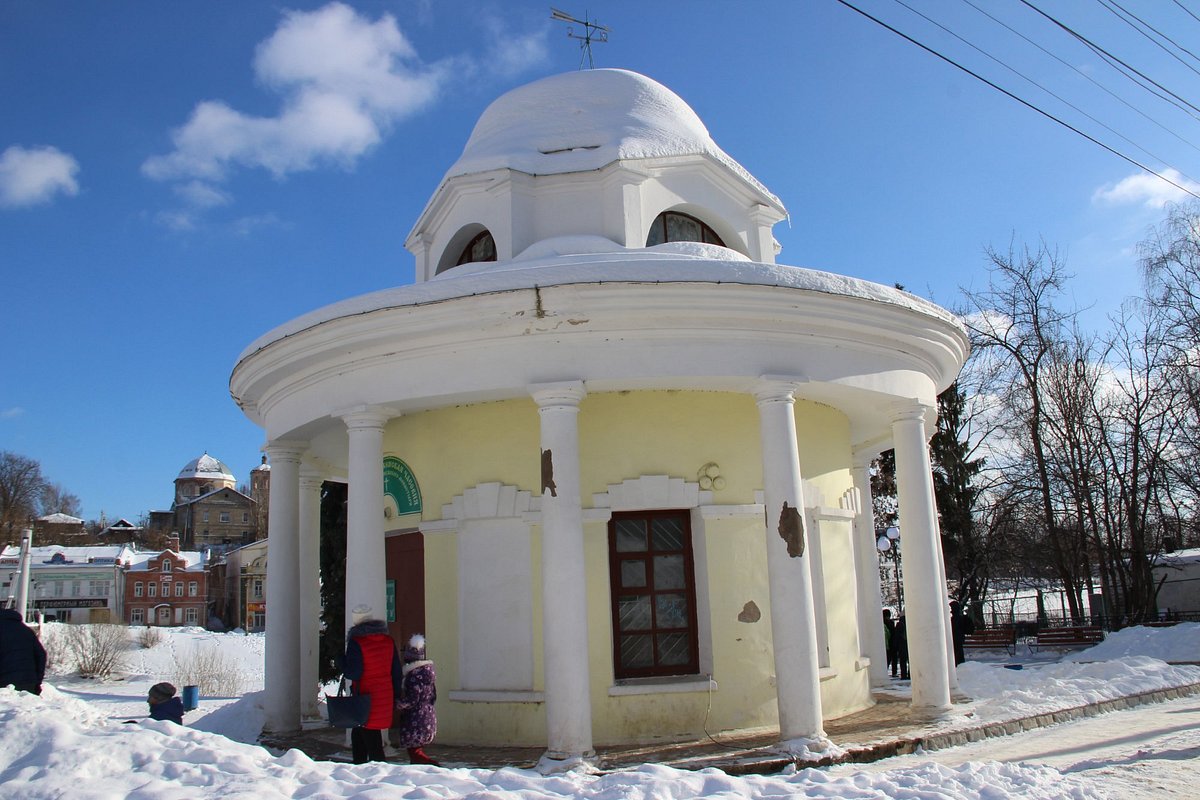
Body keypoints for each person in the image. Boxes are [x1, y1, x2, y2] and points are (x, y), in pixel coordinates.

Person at [342, 605, 402, 765]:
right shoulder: (388, 641)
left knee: (371, 739)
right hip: (384, 693)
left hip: (365, 695)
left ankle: (376, 773)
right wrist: (396, 695)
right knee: (360, 731)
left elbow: (353, 672)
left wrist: (341, 662)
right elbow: (396, 670)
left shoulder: (357, 642)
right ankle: (360, 767)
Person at [394, 633, 438, 766]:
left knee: (415, 752)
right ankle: (421, 771)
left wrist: (398, 704)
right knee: (416, 750)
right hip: (427, 716)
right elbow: (433, 696)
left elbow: (412, 699)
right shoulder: (428, 674)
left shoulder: (413, 676)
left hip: (415, 718)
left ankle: (435, 767)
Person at [0, 606, 47, 695]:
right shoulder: (26, 630)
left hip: (3, 686)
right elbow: (41, 655)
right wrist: (37, 681)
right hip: (28, 684)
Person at [950, 600, 975, 666]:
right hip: (959, 638)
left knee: (956, 654)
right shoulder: (961, 617)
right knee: (959, 654)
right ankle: (960, 666)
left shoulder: (954, 618)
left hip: (955, 638)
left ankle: (958, 665)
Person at [894, 614, 910, 680]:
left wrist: (896, 646)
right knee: (910, 661)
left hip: (901, 645)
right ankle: (910, 674)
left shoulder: (899, 625)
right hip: (908, 645)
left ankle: (903, 675)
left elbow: (896, 636)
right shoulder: (910, 623)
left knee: (903, 661)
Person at [882, 608, 897, 677]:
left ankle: (885, 671)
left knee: (887, 659)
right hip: (893, 643)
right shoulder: (891, 622)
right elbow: (893, 632)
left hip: (887, 644)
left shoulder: (882, 623)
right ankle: (894, 672)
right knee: (894, 658)